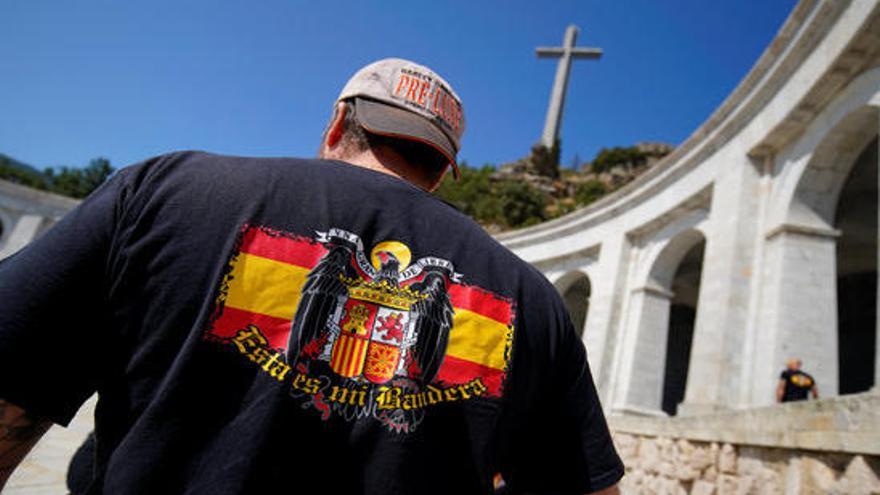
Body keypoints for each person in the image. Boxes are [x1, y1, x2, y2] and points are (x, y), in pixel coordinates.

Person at [0, 58, 623, 494]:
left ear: (336, 123)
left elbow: (12, 392)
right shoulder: (528, 300)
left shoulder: (166, 190)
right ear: (441, 170)